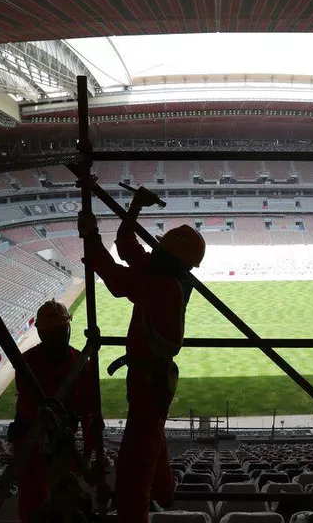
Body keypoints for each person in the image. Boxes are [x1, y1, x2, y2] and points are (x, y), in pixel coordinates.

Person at [80, 187, 205, 523]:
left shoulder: (163, 285)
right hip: (150, 378)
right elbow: (126, 246)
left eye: (161, 246)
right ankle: (165, 491)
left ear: (170, 256)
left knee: (134, 465)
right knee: (152, 438)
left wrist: (90, 238)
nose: (154, 247)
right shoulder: (164, 274)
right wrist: (134, 206)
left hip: (149, 380)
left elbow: (115, 277)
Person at [11, 299, 99, 523]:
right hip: (39, 443)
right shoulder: (77, 363)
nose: (59, 337)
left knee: (55, 505)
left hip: (51, 443)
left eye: (60, 331)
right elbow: (89, 412)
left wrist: (87, 453)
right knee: (41, 504)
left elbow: (90, 411)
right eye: (55, 332)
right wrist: (87, 454)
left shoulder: (28, 362)